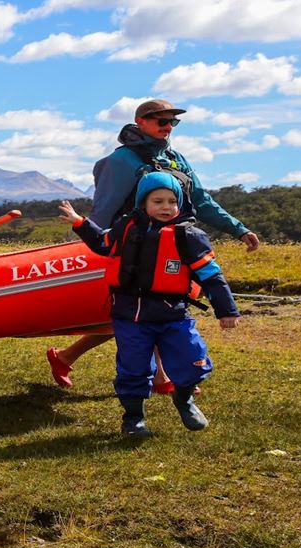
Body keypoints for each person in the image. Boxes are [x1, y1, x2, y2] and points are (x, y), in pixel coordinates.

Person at [47, 99, 259, 392]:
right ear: (140, 123)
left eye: (173, 122)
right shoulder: (122, 161)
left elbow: (200, 200)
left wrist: (238, 228)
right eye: (161, 121)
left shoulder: (176, 158)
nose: (168, 127)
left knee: (159, 307)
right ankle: (160, 377)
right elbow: (104, 209)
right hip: (132, 247)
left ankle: (69, 357)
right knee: (140, 310)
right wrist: (93, 244)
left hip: (175, 244)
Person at [57, 172, 240, 435]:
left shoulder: (189, 236)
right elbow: (102, 243)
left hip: (173, 316)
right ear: (143, 203)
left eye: (171, 201)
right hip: (130, 316)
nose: (166, 207)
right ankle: (133, 419)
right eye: (158, 201)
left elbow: (211, 275)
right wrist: (80, 223)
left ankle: (184, 399)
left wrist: (227, 310)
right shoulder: (125, 227)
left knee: (192, 360)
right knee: (133, 369)